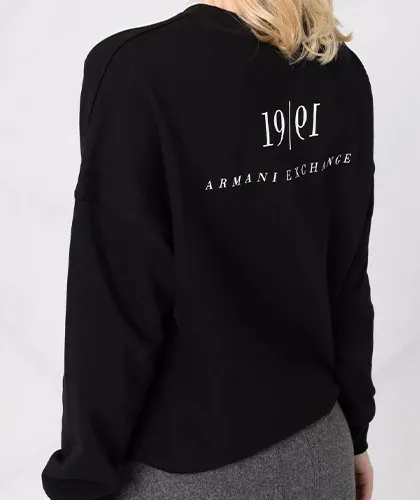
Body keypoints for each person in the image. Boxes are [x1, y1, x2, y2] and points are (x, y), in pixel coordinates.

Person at [41, 0, 377, 499]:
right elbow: (348, 278)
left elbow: (114, 304)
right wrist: (354, 436)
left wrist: (81, 483)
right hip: (322, 450)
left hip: (188, 475)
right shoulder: (340, 70)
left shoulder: (139, 72)